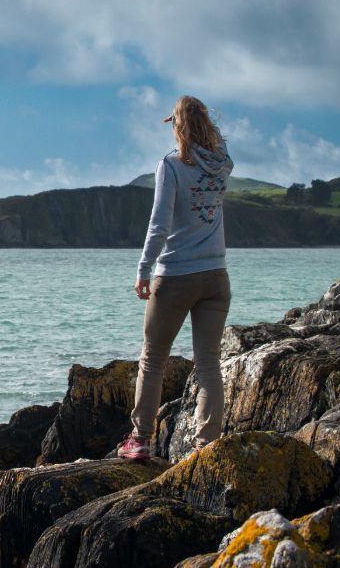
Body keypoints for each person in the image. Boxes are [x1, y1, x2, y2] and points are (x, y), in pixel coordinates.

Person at [117, 95, 234, 460]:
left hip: (177, 275)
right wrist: (197, 120)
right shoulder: (222, 163)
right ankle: (207, 445)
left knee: (152, 359)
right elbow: (219, 141)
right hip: (216, 276)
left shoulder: (170, 165)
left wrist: (143, 270)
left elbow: (159, 224)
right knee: (209, 362)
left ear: (176, 126)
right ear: (206, 124)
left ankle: (140, 441)